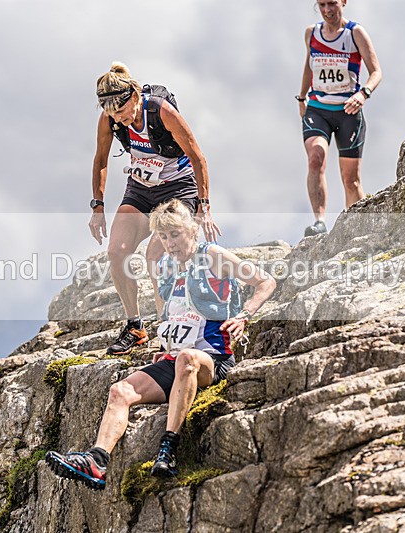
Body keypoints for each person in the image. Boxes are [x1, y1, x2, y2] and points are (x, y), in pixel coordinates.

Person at [46, 199, 276, 490]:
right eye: (164, 237)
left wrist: (244, 316)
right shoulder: (167, 267)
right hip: (176, 359)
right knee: (120, 391)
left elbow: (265, 282)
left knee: (187, 359)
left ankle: (168, 449)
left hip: (212, 358)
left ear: (192, 230)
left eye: (175, 234)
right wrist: (167, 346)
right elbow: (172, 313)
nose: (170, 243)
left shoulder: (213, 256)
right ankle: (97, 461)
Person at [89, 62, 220, 356]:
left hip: (177, 188)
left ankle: (168, 327)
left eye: (122, 113)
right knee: (116, 250)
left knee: (155, 255)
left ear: (134, 96)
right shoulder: (109, 119)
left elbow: (198, 157)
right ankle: (135, 327)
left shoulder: (161, 111)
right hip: (140, 188)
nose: (119, 121)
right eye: (113, 116)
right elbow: (100, 160)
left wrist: (205, 207)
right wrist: (98, 206)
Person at [297, 0, 381, 237]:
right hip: (318, 109)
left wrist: (363, 94)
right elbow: (309, 66)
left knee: (351, 180)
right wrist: (301, 97)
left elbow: (376, 71)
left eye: (332, 3)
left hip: (348, 111)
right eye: (321, 5)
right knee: (316, 158)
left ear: (343, 2)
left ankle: (357, 228)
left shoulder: (355, 33)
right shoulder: (311, 33)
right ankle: (319, 222)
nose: (327, 10)